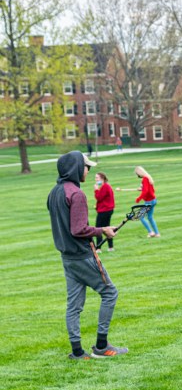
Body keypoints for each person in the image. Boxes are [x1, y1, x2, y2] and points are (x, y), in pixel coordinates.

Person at [47, 151, 127, 359]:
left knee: (74, 305)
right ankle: (101, 346)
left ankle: (77, 352)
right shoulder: (77, 194)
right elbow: (78, 229)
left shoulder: (54, 193)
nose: (88, 170)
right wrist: (104, 230)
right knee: (110, 293)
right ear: (75, 168)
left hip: (67, 258)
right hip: (82, 256)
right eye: (85, 166)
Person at [134, 166, 160, 237]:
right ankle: (157, 233)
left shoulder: (145, 179)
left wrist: (138, 198)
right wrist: (141, 189)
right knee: (150, 217)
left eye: (137, 174)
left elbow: (146, 191)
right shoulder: (148, 178)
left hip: (149, 202)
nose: (137, 175)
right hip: (153, 200)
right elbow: (149, 190)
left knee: (140, 216)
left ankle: (150, 232)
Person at [93, 171, 116, 250]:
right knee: (107, 227)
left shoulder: (105, 186)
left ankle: (98, 248)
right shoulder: (105, 186)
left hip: (105, 210)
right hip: (106, 209)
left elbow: (99, 197)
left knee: (98, 228)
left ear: (102, 178)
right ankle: (110, 247)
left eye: (97, 178)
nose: (95, 179)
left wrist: (96, 190)